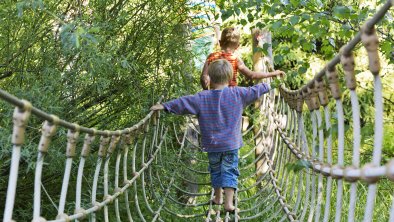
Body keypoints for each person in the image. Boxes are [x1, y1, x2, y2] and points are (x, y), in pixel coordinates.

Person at [151, 59, 279, 212]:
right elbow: (256, 90)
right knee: (230, 171)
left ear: (210, 78)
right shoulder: (238, 93)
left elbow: (183, 103)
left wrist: (164, 106)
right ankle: (228, 203)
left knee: (216, 170)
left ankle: (218, 198)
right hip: (231, 144)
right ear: (231, 78)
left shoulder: (201, 97)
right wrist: (270, 83)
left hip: (212, 145)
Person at [200, 27, 284, 90]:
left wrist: (206, 90)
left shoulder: (212, 57)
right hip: (231, 95)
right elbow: (252, 75)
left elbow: (204, 78)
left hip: (214, 95)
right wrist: (272, 74)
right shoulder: (235, 59)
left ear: (220, 42)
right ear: (238, 46)